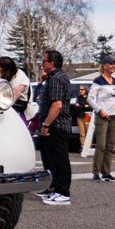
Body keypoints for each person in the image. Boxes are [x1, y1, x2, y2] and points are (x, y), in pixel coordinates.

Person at [36, 49, 75, 205]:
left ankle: (63, 193)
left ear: (51, 63)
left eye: (44, 61)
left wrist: (46, 125)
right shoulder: (52, 78)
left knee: (60, 160)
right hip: (53, 125)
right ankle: (55, 189)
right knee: (51, 159)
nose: (42, 64)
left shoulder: (57, 79)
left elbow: (57, 105)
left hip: (57, 125)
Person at [88, 56, 115, 182]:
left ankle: (106, 172)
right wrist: (100, 110)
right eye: (111, 64)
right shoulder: (98, 81)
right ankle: (96, 172)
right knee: (101, 145)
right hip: (102, 116)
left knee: (110, 146)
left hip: (114, 116)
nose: (113, 66)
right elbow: (90, 99)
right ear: (105, 66)